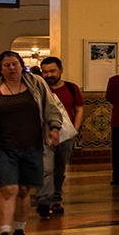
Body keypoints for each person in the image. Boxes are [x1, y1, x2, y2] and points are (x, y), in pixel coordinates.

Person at [0, 50, 63, 235]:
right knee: (8, 189)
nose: (11, 68)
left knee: (22, 190)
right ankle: (4, 233)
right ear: (0, 68)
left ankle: (19, 230)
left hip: (32, 146)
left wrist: (54, 128)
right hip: (2, 148)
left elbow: (51, 107)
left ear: (21, 65)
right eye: (6, 65)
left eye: (15, 64)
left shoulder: (36, 83)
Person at [36, 57, 84, 219]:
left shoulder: (71, 88)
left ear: (61, 70)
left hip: (65, 136)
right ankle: (45, 199)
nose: (48, 75)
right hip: (44, 136)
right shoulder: (38, 89)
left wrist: (74, 130)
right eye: (45, 71)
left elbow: (78, 109)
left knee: (60, 168)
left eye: (52, 71)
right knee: (46, 167)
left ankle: (56, 198)